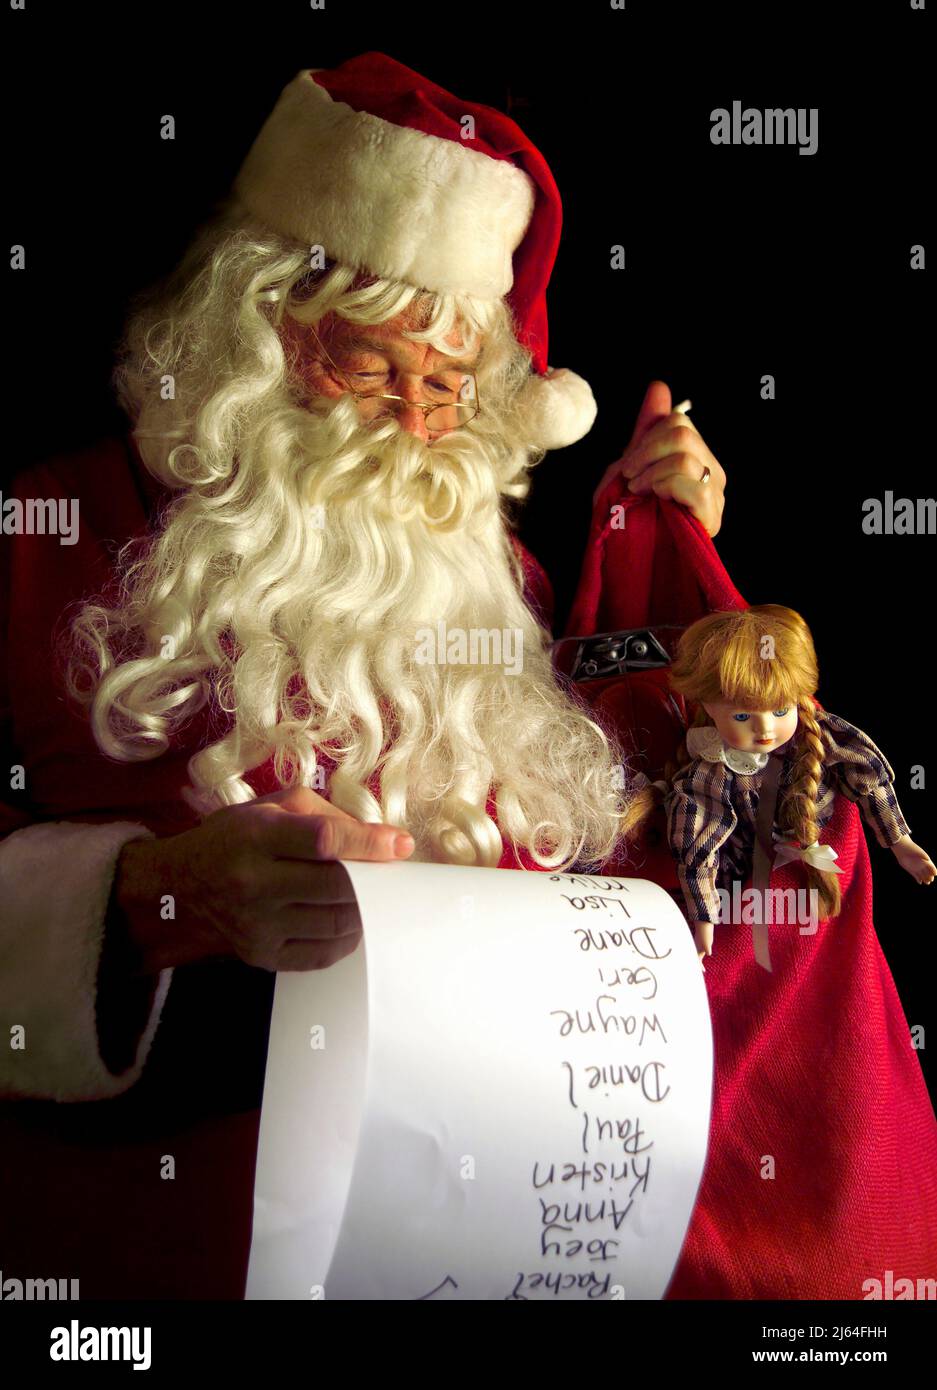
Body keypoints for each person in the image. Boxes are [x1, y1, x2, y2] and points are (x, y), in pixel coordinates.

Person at [0, 54, 728, 1297]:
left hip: (475, 1244)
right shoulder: (42, 533)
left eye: (444, 385)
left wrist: (657, 542)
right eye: (367, 365)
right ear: (250, 328)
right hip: (153, 1257)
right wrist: (150, 900)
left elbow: (616, 800)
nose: (409, 425)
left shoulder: (492, 580)